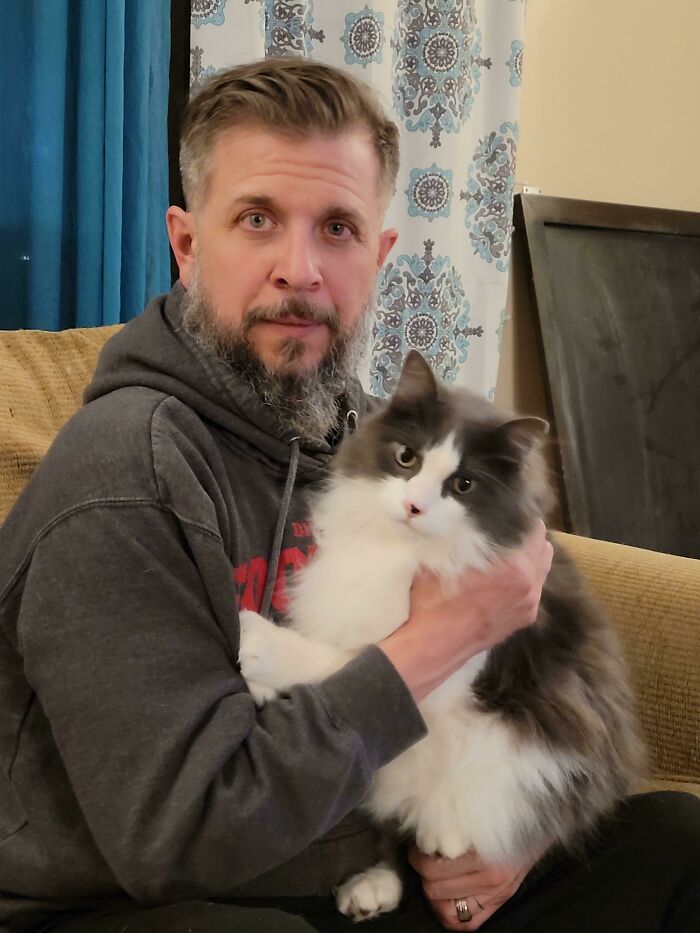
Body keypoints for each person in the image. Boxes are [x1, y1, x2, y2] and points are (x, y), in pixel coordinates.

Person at [0, 58, 697, 933]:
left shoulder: (380, 441)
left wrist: (511, 838)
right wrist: (439, 638)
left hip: (368, 868)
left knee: (679, 844)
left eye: (337, 227)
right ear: (186, 244)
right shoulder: (125, 473)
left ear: (379, 253)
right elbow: (182, 838)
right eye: (257, 219)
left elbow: (520, 701)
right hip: (158, 899)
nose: (300, 268)